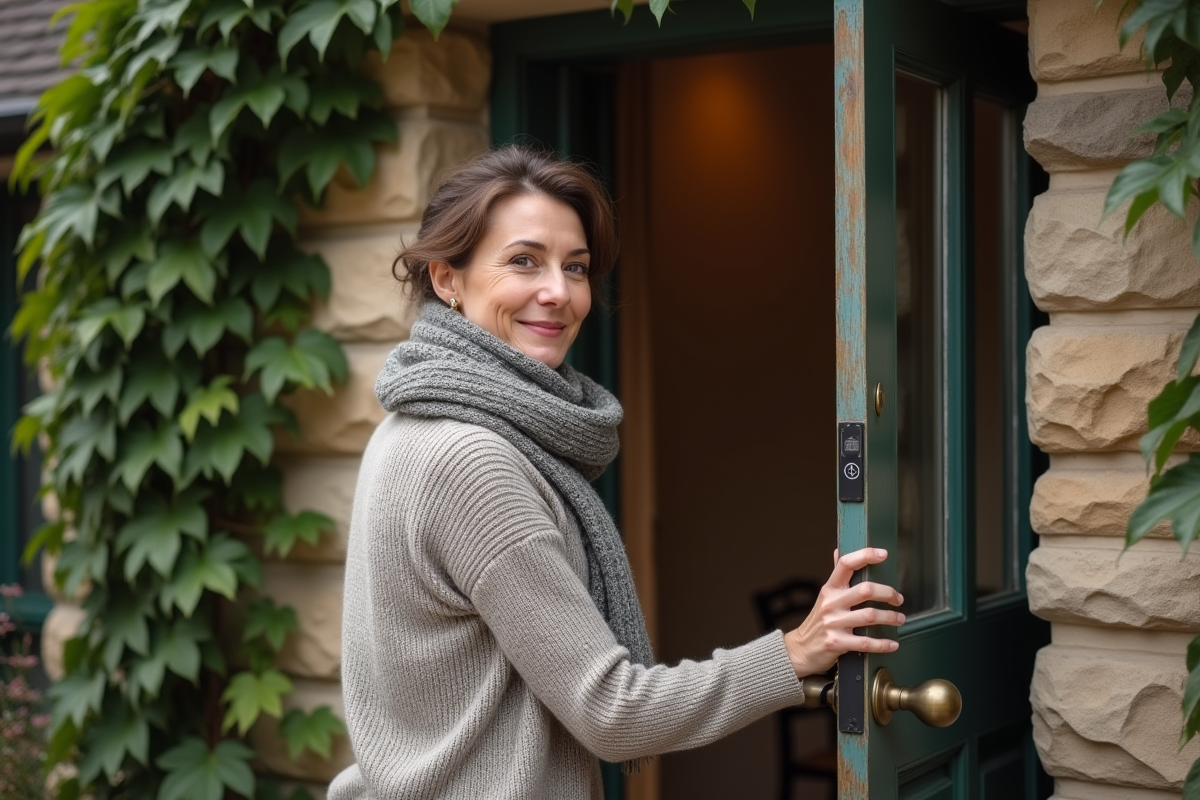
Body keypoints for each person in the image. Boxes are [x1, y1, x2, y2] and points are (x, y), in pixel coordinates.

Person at [328, 145, 904, 800]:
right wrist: (797, 650)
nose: (559, 292)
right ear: (446, 279)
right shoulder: (473, 462)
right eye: (524, 261)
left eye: (575, 268)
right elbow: (613, 712)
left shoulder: (406, 423)